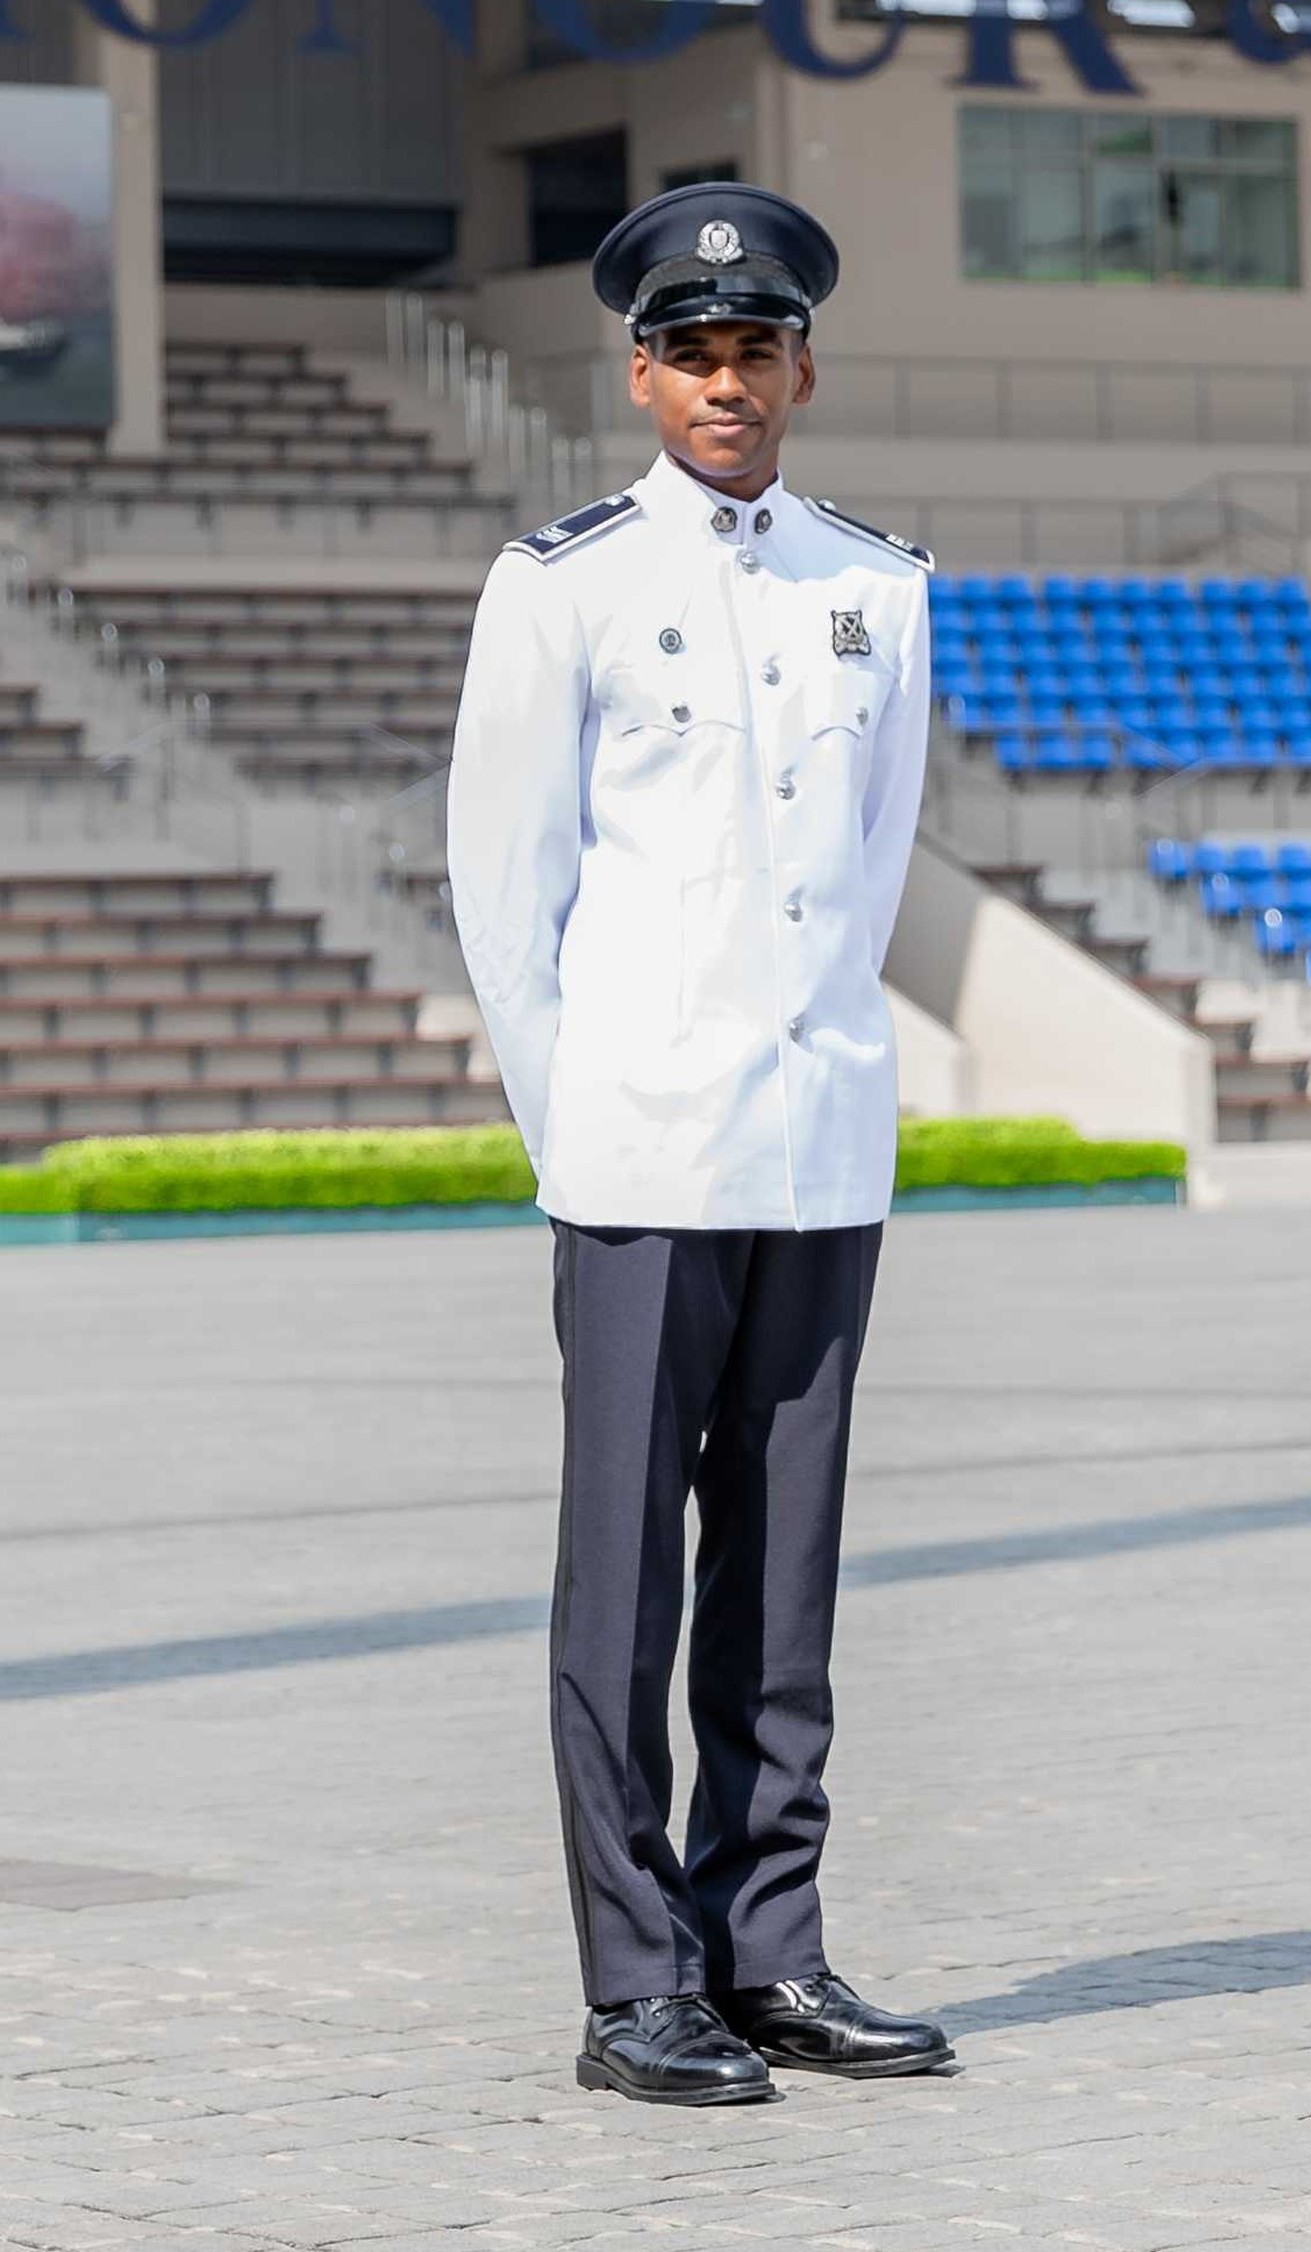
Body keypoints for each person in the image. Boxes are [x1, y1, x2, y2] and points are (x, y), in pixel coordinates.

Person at [447, 182, 951, 2107]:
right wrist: (580, 1134)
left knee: (783, 1580)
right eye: (696, 352)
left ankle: (770, 1954)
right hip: (643, 1157)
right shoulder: (559, 584)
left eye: (759, 349)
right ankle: (632, 1983)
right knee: (625, 1589)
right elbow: (510, 895)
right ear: (642, 374)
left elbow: (876, 855)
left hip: (821, 1148)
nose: (729, 380)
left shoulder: (874, 585)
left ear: (803, 366)